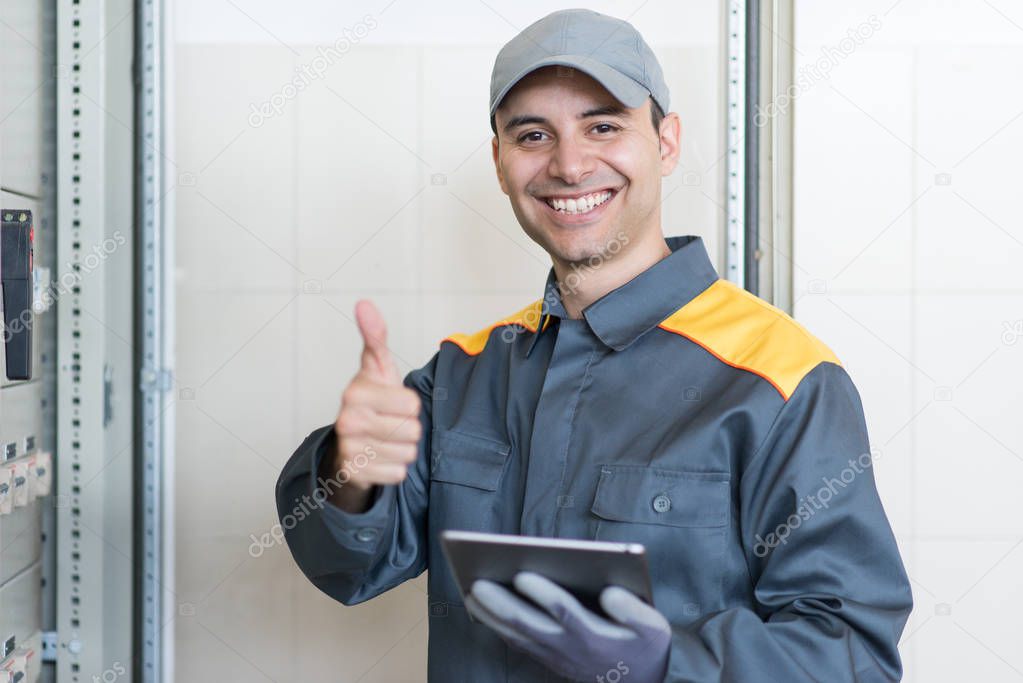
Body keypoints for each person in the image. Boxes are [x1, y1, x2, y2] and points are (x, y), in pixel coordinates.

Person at [275, 8, 912, 682]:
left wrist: (669, 661)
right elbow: (347, 565)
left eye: (602, 125)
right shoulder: (463, 373)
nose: (569, 164)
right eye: (532, 134)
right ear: (499, 162)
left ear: (665, 143)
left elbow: (852, 653)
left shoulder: (781, 381)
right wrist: (352, 470)